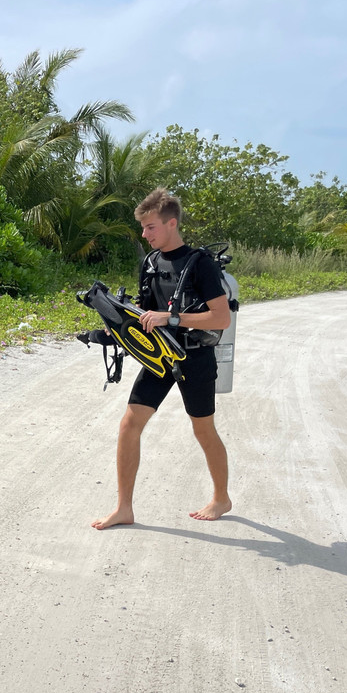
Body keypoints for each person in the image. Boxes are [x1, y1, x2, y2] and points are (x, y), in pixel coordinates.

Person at [91, 187, 233, 529]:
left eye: (150, 227)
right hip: (159, 358)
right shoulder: (150, 263)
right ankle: (124, 508)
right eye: (142, 227)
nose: (144, 234)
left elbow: (221, 318)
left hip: (195, 358)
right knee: (129, 425)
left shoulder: (200, 265)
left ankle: (221, 498)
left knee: (203, 430)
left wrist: (171, 318)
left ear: (171, 224)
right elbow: (144, 309)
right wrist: (118, 325)